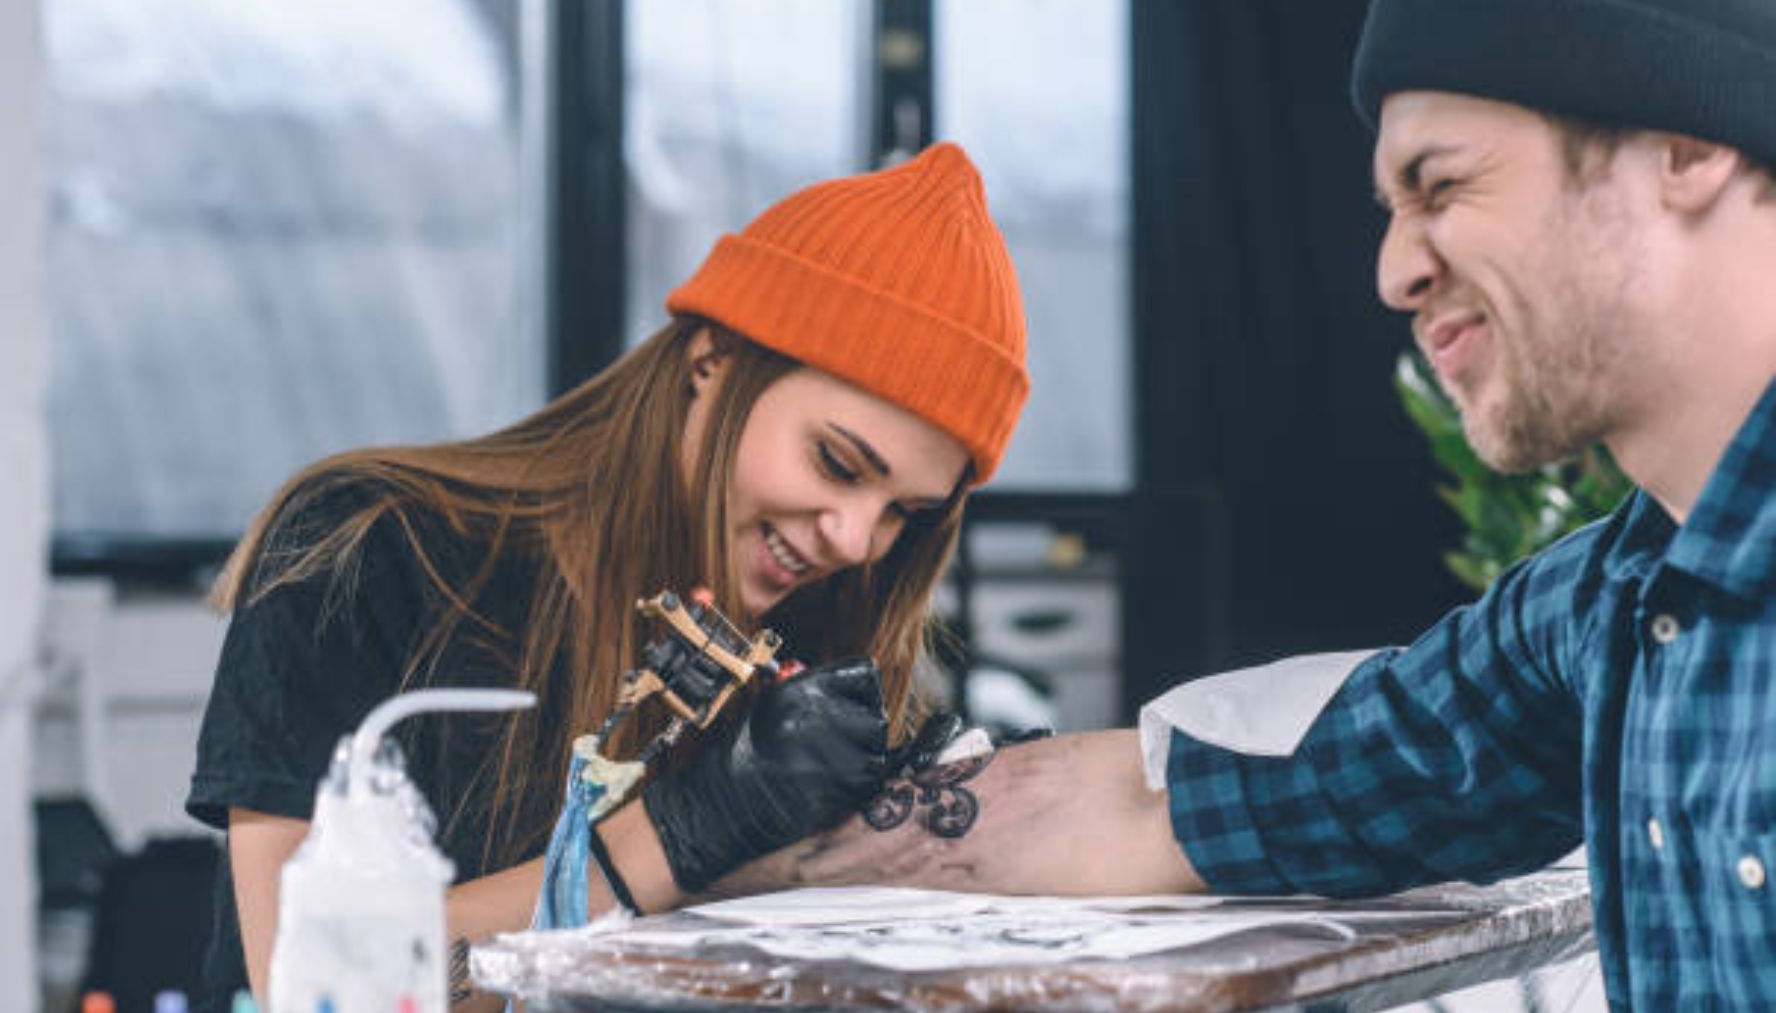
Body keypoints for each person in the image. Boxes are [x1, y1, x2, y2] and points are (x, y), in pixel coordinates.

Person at [720, 1, 1776, 1007]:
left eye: (1444, 185)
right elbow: (1163, 803)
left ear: (1685, 146)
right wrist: (703, 843)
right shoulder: (1602, 612)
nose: (1394, 272)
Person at [184, 141, 1030, 1013]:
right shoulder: (366, 552)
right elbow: (309, 989)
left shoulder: (809, 653)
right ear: (711, 364)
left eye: (904, 513)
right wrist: (675, 837)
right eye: (837, 463)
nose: (855, 539)